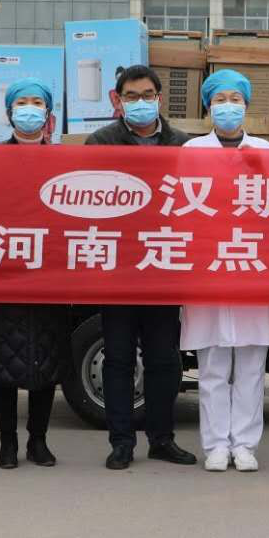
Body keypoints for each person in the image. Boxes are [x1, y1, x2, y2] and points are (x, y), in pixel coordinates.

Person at [84, 65, 198, 471]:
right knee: (118, 358)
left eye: (147, 95)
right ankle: (121, 442)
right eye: (131, 96)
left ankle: (162, 439)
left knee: (164, 359)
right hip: (117, 267)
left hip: (164, 264)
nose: (141, 102)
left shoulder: (183, 145)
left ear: (159, 98)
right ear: (118, 100)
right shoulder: (100, 143)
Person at [182, 69, 269, 471]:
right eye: (220, 100)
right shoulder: (192, 150)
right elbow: (180, 207)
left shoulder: (264, 149)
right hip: (208, 267)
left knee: (250, 367)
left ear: (246, 105)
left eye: (236, 100)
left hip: (252, 267)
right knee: (211, 366)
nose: (228, 107)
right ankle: (215, 446)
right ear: (208, 106)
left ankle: (244, 445)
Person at [0, 78, 72, 469]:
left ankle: (38, 441)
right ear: (9, 112)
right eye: (22, 103)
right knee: (2, 363)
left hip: (49, 275)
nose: (29, 109)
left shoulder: (65, 161)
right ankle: (7, 441)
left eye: (37, 103)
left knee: (45, 363)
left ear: (48, 113)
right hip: (1, 272)